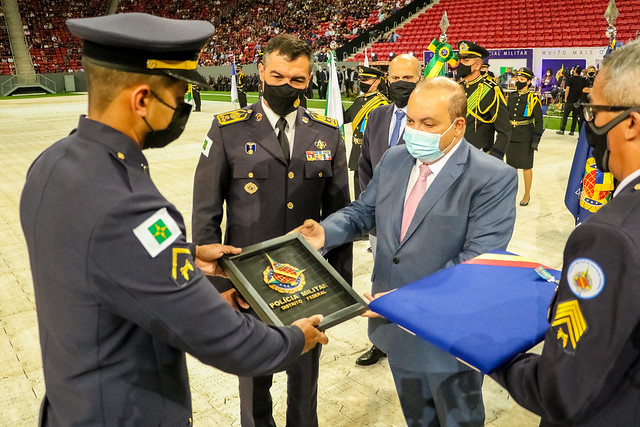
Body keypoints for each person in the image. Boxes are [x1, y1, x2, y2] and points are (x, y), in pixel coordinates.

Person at [19, 14, 328, 426]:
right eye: (180, 93)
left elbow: (110, 259)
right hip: (128, 412)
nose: (184, 105)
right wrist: (295, 338)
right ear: (142, 99)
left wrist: (186, 255)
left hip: (73, 403)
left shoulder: (52, 163)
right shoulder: (131, 206)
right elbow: (225, 341)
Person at [294, 77, 518, 426]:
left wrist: (404, 302)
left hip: (448, 335)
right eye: (411, 120)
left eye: (428, 124)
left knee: (458, 420)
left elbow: (478, 260)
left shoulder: (492, 177)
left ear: (458, 126)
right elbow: (364, 212)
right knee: (419, 418)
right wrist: (325, 232)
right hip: (394, 330)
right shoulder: (396, 159)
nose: (415, 131)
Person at [192, 34, 352, 427]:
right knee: (253, 377)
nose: (286, 86)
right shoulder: (229, 128)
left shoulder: (328, 132)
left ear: (309, 79)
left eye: (297, 80)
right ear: (260, 72)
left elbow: (340, 214)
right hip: (245, 281)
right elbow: (206, 210)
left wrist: (341, 287)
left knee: (305, 377)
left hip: (308, 279)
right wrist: (219, 288)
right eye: (277, 75)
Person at [492, 39, 640, 425]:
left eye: (595, 112)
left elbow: (561, 389)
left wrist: (491, 351)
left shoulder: (610, 235)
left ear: (631, 124)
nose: (590, 125)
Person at [356, 53, 422, 367]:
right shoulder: (378, 116)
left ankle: (414, 339)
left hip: (418, 222)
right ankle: (381, 342)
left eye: (408, 79)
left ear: (419, 79)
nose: (401, 84)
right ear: (387, 79)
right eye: (396, 78)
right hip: (380, 223)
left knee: (416, 282)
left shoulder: (431, 118)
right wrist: (372, 211)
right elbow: (364, 166)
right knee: (382, 282)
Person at [457, 41, 511, 159]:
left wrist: (494, 158)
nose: (461, 64)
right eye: (460, 60)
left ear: (477, 65)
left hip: (478, 156)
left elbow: (505, 131)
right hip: (455, 154)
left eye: (466, 61)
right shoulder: (457, 88)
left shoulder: (490, 90)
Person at [343, 65, 389, 199]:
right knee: (358, 194)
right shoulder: (358, 101)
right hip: (357, 151)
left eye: (366, 79)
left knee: (373, 194)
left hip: (373, 153)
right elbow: (346, 118)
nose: (362, 82)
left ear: (376, 82)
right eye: (361, 79)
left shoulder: (382, 104)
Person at [505, 67, 543, 206]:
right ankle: (510, 193)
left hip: (526, 136)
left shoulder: (533, 98)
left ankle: (527, 194)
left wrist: (536, 141)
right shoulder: (512, 96)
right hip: (512, 135)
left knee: (526, 167)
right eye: (518, 79)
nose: (518, 81)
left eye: (522, 79)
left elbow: (539, 122)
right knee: (511, 167)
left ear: (528, 81)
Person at [556, 65, 586, 135]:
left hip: (570, 99)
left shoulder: (570, 79)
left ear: (574, 71)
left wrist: (565, 98)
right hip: (577, 100)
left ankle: (562, 129)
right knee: (575, 117)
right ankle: (572, 131)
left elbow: (567, 89)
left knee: (565, 115)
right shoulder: (582, 79)